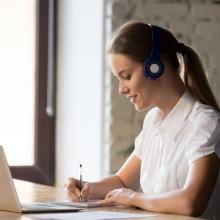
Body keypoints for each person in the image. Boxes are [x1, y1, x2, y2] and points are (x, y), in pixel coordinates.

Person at [65, 21, 220, 218]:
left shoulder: (205, 123)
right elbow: (122, 181)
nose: (121, 89)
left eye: (126, 76)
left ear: (155, 67)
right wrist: (86, 187)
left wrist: (133, 198)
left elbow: (190, 203)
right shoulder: (153, 121)